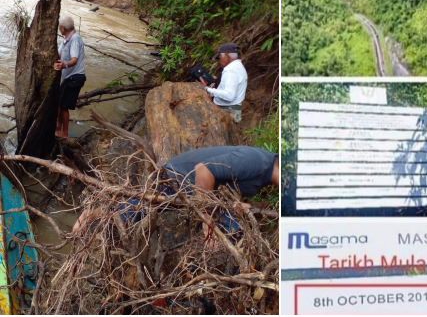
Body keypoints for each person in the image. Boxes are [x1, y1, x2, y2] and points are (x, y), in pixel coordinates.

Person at [72, 146, 279, 248]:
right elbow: (203, 170)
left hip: (195, 189)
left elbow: (228, 190)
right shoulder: (257, 161)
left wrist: (239, 205)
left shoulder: (264, 176)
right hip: (176, 179)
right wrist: (208, 225)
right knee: (128, 214)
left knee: (235, 232)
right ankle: (92, 215)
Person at [53, 16, 86, 138]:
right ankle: (58, 127)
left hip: (75, 77)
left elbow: (74, 59)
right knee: (60, 104)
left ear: (62, 28)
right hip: (69, 78)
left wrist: (64, 66)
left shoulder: (75, 39)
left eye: (59, 28)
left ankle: (64, 133)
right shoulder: (66, 39)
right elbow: (59, 54)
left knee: (64, 106)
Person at [199, 42, 247, 123]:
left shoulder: (231, 70)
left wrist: (208, 89)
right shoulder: (239, 67)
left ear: (226, 55)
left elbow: (229, 96)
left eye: (219, 57)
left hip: (227, 110)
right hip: (234, 110)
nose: (219, 61)